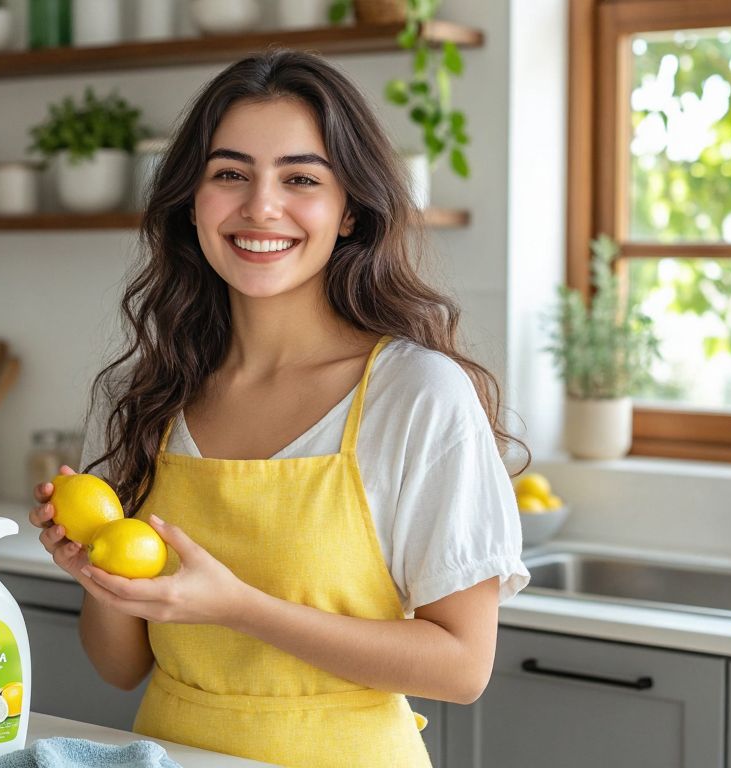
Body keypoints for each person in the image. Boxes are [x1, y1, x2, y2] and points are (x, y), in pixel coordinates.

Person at [28, 49, 529, 768]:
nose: (261, 206)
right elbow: (118, 666)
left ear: (349, 209)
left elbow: (461, 667)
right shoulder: (147, 393)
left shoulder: (417, 394)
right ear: (191, 202)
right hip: (170, 752)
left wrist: (238, 606)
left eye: (300, 179)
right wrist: (97, 575)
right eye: (229, 174)